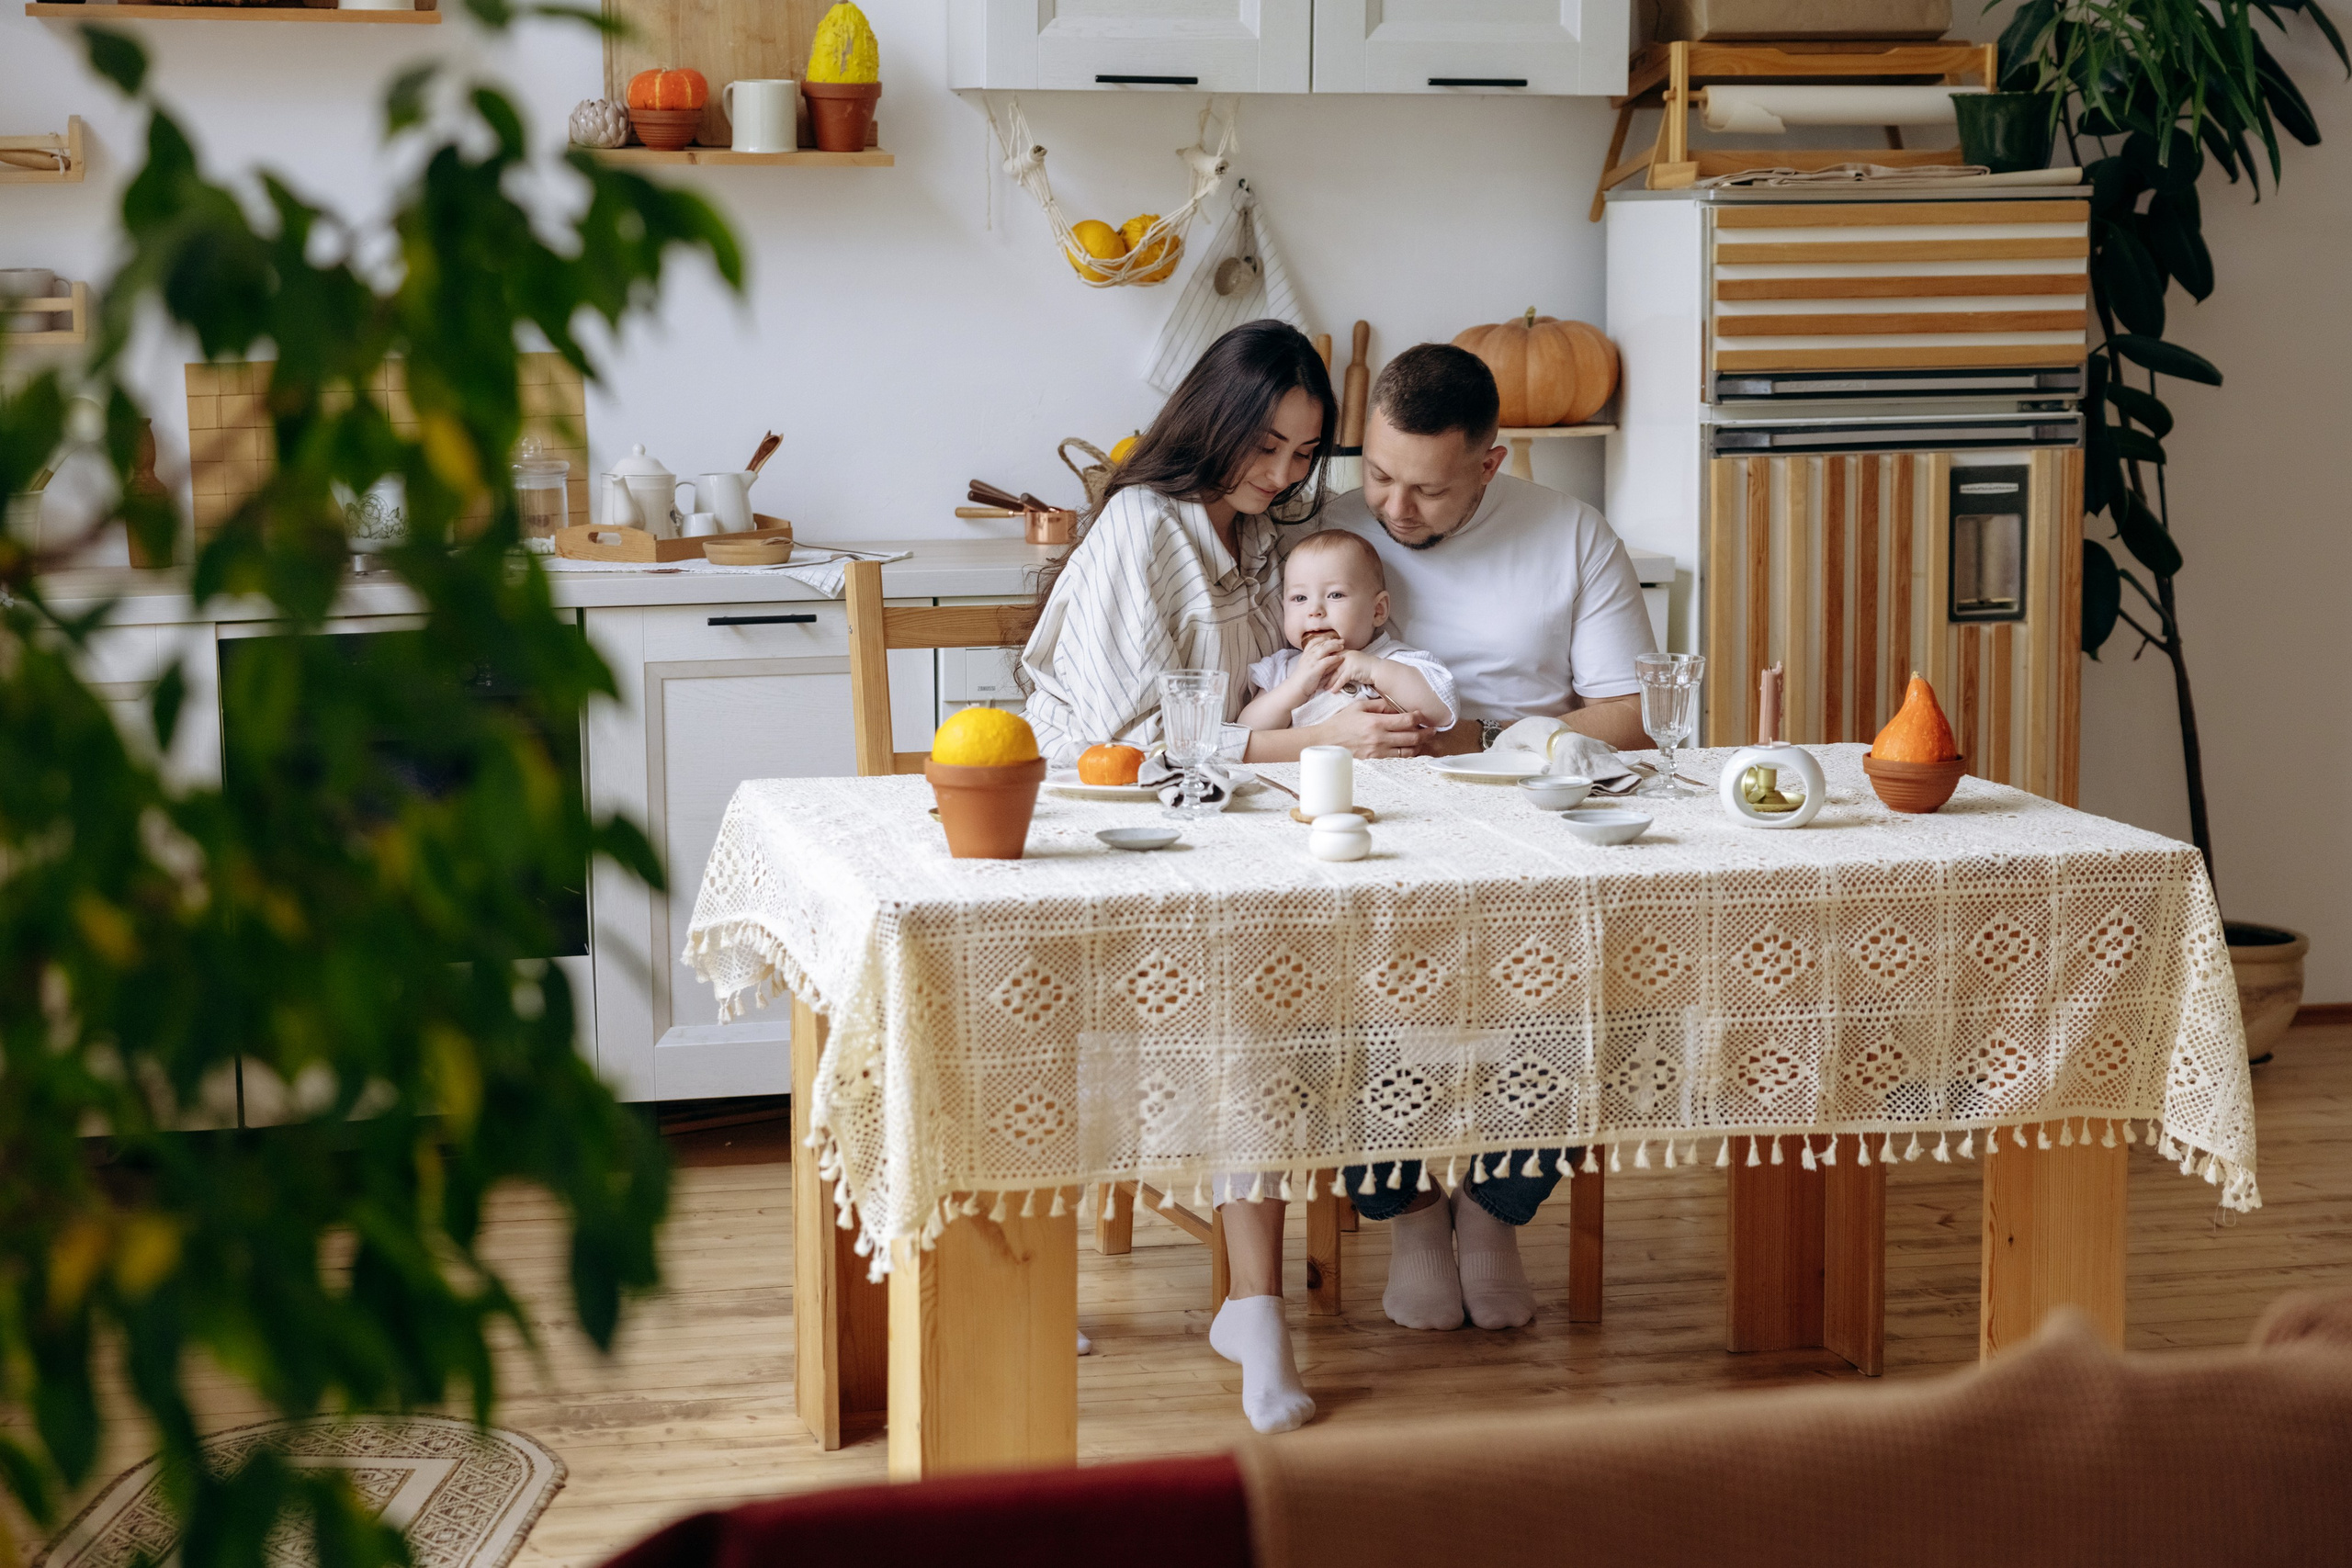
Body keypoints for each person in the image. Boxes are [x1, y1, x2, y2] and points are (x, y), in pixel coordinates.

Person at [1017, 320, 1422, 1439]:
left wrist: (1335, 704)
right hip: (1085, 838)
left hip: (1211, 827)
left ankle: (1254, 1309)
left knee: (1271, 995)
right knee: (1249, 998)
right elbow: (1117, 752)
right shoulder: (1143, 529)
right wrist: (1314, 738)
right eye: (1270, 447)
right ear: (1220, 418)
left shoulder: (1251, 540)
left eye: (1302, 455)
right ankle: (1090, 1288)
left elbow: (1246, 707)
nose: (1285, 474)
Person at [1320, 342, 1657, 1335]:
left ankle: (1496, 1210)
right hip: (1366, 815)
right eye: (1376, 474)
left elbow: (1631, 713)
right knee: (1329, 986)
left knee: (1579, 974)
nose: (1392, 509)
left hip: (1527, 819)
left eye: (1425, 489)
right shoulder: (1324, 530)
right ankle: (1408, 1210)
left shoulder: (1570, 535)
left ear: (1490, 463)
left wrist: (1479, 738)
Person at [1237, 529, 1456, 734]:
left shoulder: (1397, 661)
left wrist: (1375, 671)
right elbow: (1247, 731)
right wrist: (1296, 686)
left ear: (1378, 610)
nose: (1314, 611)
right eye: (1300, 598)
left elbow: (1442, 712)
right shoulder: (1283, 670)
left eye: (1335, 595)